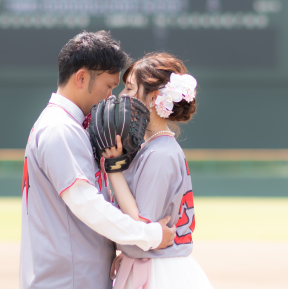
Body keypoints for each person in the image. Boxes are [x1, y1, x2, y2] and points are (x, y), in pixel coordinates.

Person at [20, 31, 176, 289]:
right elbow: (86, 204)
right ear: (81, 78)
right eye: (109, 86)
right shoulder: (60, 129)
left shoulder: (70, 125)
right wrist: (149, 235)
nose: (112, 97)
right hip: (67, 281)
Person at [103, 52, 214, 289]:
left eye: (130, 89)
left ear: (154, 99)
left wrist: (113, 169)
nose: (123, 95)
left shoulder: (160, 154)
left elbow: (143, 230)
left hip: (160, 274)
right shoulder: (156, 148)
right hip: (156, 265)